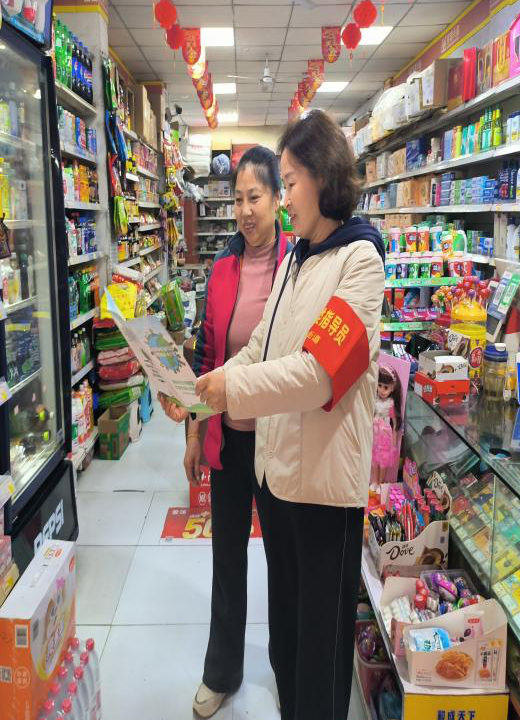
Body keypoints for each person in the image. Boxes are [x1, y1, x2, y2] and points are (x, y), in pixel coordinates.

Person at [193, 110, 385, 720]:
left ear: (323, 178)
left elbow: (318, 373)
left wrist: (233, 389)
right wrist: (206, 388)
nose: (286, 196)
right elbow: (262, 347)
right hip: (280, 482)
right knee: (288, 641)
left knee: (320, 654)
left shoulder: (360, 262)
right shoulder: (297, 258)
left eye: (292, 181)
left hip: (324, 493)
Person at [159, 146, 292, 718]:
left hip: (282, 441)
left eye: (254, 197)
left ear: (278, 199)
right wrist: (193, 434)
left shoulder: (298, 264)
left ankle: (289, 669)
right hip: (230, 439)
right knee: (227, 558)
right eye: (237, 199)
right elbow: (207, 354)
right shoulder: (220, 269)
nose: (243, 211)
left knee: (285, 563)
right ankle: (221, 671)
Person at [372, 364, 403, 484]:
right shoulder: (374, 400)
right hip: (374, 432)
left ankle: (381, 482)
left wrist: (394, 442)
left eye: (386, 387)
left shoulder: (390, 403)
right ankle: (374, 481)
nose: (382, 390)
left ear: (392, 388)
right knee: (374, 459)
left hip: (385, 435)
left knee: (383, 460)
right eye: (379, 385)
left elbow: (395, 424)